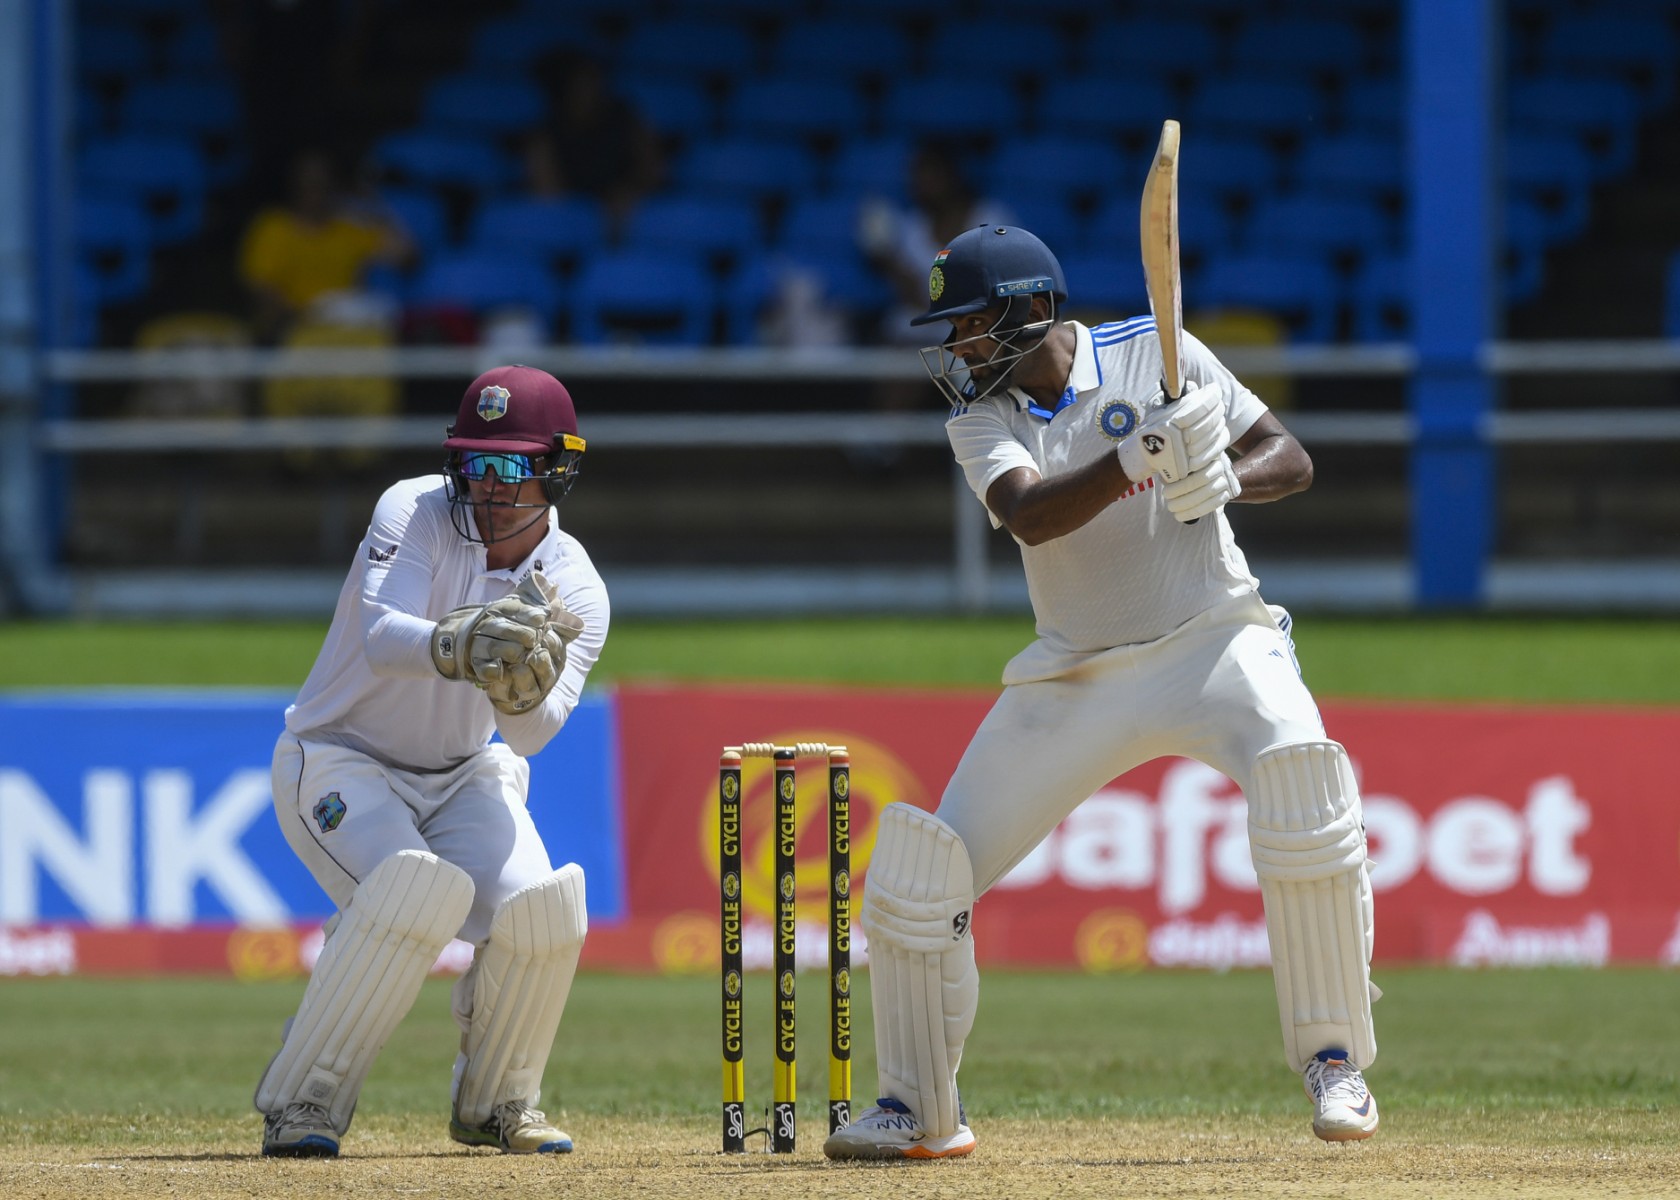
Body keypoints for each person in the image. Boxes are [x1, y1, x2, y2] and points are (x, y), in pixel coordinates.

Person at [822, 226, 1381, 1161]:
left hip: (1215, 641)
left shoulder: (1160, 352)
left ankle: (1335, 1062)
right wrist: (1133, 464)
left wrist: (1221, 484)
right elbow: (1033, 518)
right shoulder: (979, 420)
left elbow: (1291, 456)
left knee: (1305, 787)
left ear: (1033, 310)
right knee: (924, 874)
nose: (957, 348)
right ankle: (918, 1109)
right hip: (1073, 672)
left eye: (967, 325)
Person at [256, 365, 609, 1158]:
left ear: (558, 468)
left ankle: (497, 1103)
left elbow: (530, 738)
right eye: (475, 462)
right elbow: (384, 639)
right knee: (411, 895)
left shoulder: (578, 586)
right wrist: (469, 642)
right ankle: (303, 1101)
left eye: (511, 466)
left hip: (461, 773)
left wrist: (518, 689)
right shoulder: (412, 509)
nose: (487, 485)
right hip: (338, 757)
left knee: (542, 912)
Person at [238, 146, 413, 345]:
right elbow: (261, 288)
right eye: (309, 184)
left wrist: (372, 202)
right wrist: (304, 318)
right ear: (295, 186)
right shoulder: (273, 227)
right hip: (290, 330)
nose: (316, 193)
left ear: (334, 188)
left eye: (323, 185)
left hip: (343, 327)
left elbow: (407, 257)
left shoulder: (348, 229)